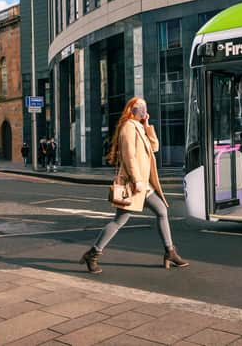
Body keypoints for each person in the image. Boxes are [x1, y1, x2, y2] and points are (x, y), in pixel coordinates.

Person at [79, 97, 188, 274]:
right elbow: (129, 157)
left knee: (162, 211)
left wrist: (147, 125)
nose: (144, 110)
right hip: (134, 184)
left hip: (145, 184)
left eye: (145, 106)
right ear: (132, 110)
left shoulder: (139, 127)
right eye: (140, 107)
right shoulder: (128, 128)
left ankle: (170, 252)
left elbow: (155, 147)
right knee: (119, 221)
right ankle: (93, 254)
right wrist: (137, 180)